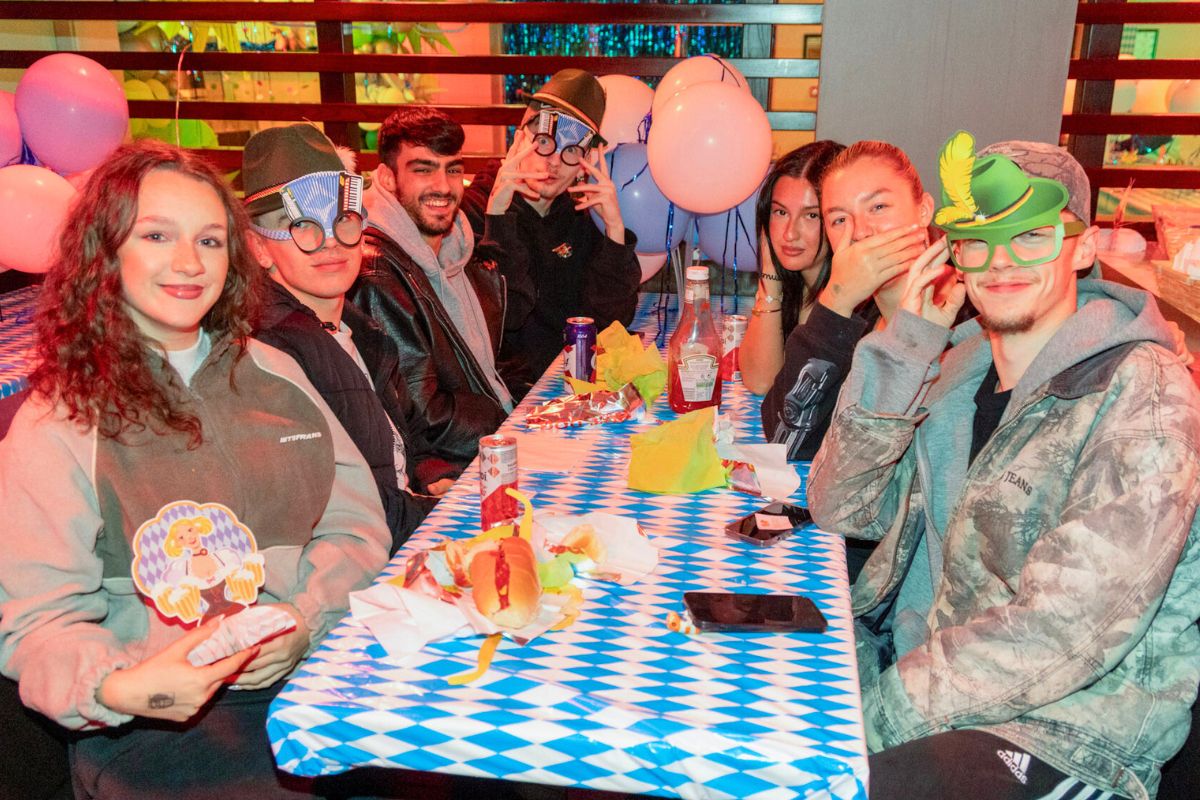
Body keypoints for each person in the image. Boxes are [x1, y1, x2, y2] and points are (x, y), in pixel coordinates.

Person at [807, 131, 1200, 800]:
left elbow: (1062, 632)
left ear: (1080, 248)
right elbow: (841, 505)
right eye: (980, 241)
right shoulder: (957, 368)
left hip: (1064, 736)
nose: (1001, 261)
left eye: (1030, 236)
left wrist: (868, 721)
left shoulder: (1143, 393)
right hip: (915, 687)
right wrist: (906, 344)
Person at [0, 140, 391, 799]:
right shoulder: (58, 420)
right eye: (157, 235)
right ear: (106, 249)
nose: (188, 263)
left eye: (210, 241)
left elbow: (355, 526)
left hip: (316, 679)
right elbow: (37, 624)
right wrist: (118, 686)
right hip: (155, 734)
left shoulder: (277, 373)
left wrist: (305, 617)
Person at [245, 123, 460, 554]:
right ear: (260, 248)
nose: (329, 242)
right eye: (302, 226)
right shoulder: (276, 354)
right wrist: (457, 514)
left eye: (343, 219)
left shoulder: (359, 331)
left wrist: (429, 473)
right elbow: (351, 506)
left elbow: (399, 443)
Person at [352, 106, 515, 464]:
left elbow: (496, 361)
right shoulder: (377, 272)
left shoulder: (459, 247)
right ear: (387, 177)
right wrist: (511, 427)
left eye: (452, 169)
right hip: (459, 463)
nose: (443, 186)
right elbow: (425, 418)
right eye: (423, 170)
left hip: (489, 439)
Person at [760, 140, 936, 463]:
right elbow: (785, 440)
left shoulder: (963, 317)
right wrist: (836, 301)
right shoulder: (860, 324)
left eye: (878, 207)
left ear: (924, 210)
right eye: (840, 220)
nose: (861, 233)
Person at [464, 68, 642, 379]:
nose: (555, 161)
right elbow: (505, 317)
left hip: (574, 382)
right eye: (544, 142)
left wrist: (614, 231)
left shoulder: (578, 213)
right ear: (520, 139)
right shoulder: (475, 210)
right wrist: (499, 218)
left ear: (584, 163)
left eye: (571, 150)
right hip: (513, 393)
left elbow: (613, 320)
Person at [740, 140, 845, 394]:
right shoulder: (796, 286)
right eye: (780, 213)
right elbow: (760, 381)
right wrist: (770, 277)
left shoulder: (849, 300)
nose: (789, 234)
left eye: (811, 215)